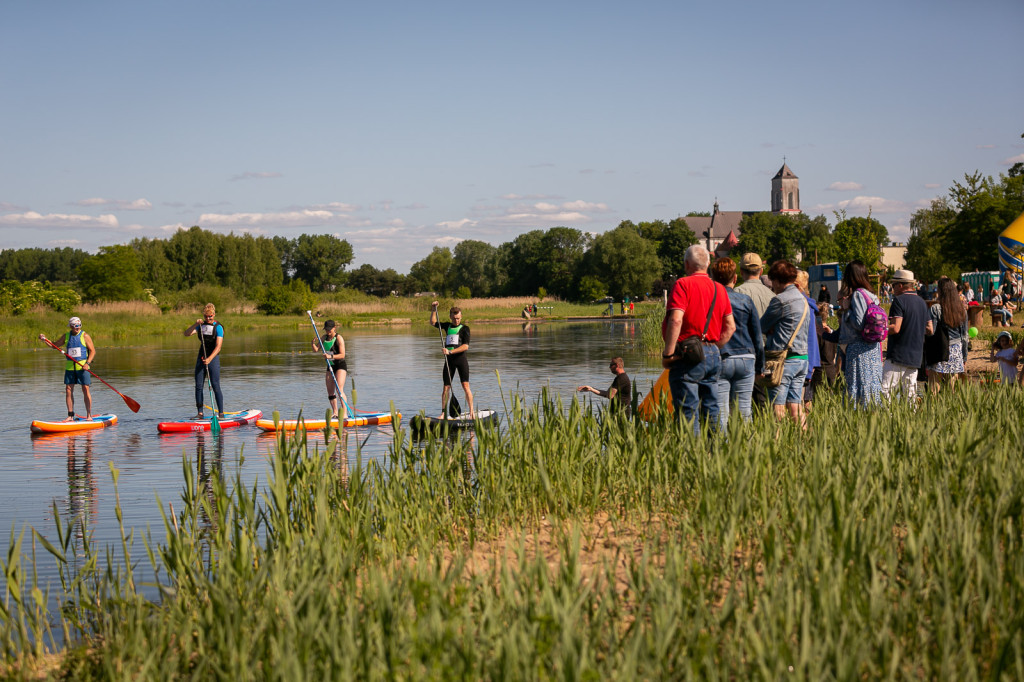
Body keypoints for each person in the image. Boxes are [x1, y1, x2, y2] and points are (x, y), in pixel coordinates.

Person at [661, 245, 735, 434]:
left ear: (686, 264)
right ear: (708, 263)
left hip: (687, 355)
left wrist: (668, 354)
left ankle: (690, 457)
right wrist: (713, 347)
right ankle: (715, 455)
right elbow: (730, 327)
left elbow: (676, 319)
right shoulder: (719, 288)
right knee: (712, 410)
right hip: (713, 354)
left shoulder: (683, 284)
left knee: (687, 412)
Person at [710, 257, 762, 425]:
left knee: (721, 411)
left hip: (721, 357)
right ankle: (746, 447)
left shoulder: (711, 300)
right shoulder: (745, 300)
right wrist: (760, 366)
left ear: (713, 278)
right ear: (735, 278)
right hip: (746, 358)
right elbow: (757, 336)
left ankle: (722, 448)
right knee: (744, 409)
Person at [759, 261, 811, 427]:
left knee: (777, 407)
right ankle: (805, 440)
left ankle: (778, 443)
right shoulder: (803, 300)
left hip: (783, 361)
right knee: (795, 406)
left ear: (777, 280)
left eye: (773, 281)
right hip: (802, 358)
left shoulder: (780, 300)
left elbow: (762, 325)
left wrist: (774, 328)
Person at [836, 261, 884, 408]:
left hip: (859, 349)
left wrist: (846, 309)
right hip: (873, 348)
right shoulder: (871, 295)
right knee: (871, 386)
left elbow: (858, 323)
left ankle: (859, 417)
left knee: (858, 386)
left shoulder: (857, 295)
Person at [881, 269, 932, 402]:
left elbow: (896, 328)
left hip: (898, 354)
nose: (893, 289)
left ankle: (888, 418)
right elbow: (930, 329)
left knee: (886, 390)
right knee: (910, 393)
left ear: (900, 285)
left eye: (893, 285)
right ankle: (912, 419)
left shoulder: (899, 301)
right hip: (916, 356)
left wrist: (880, 329)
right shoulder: (922, 302)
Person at [39, 316, 96, 421]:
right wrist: (44, 339)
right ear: (70, 326)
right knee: (68, 390)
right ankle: (70, 415)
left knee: (85, 389)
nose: (77, 328)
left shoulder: (85, 336)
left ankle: (89, 416)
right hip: (70, 367)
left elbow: (92, 351)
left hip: (82, 367)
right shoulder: (66, 336)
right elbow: (54, 345)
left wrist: (87, 363)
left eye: (79, 325)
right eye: (75, 326)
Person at [430, 301, 475, 418]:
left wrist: (450, 351)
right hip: (449, 361)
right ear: (450, 317)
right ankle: (443, 413)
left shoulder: (465, 329)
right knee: (446, 388)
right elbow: (433, 322)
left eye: (459, 318)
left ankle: (471, 412)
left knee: (466, 386)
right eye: (454, 318)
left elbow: (465, 346)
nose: (457, 320)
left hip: (461, 360)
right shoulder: (447, 326)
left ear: (461, 317)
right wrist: (434, 309)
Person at [927, 277, 969, 393]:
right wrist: (964, 356)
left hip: (939, 349)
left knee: (933, 387)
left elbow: (932, 332)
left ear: (941, 291)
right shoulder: (962, 310)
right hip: (956, 350)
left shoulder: (935, 308)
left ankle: (933, 409)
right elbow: (964, 336)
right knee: (952, 388)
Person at [185, 303, 224, 419]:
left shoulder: (218, 327)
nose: (208, 319)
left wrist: (210, 359)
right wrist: (195, 324)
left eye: (210, 316)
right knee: (198, 386)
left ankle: (220, 414)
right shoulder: (200, 326)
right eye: (206, 317)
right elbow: (186, 333)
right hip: (201, 358)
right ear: (203, 316)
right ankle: (200, 414)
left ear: (214, 314)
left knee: (215, 385)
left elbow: (218, 347)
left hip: (213, 358)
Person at [794, 270, 822, 412]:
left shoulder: (804, 306)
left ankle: (804, 430)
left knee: (801, 402)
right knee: (805, 401)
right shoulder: (808, 304)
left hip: (805, 361)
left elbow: (811, 338)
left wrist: (811, 366)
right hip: (808, 360)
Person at [313, 319, 348, 418]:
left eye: (329, 330)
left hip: (340, 365)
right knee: (330, 391)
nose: (328, 332)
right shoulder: (324, 337)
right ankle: (335, 413)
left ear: (334, 328)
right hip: (330, 365)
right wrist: (313, 344)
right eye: (326, 330)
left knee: (339, 389)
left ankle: (344, 414)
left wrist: (330, 357)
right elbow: (316, 349)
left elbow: (342, 355)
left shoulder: (339, 338)